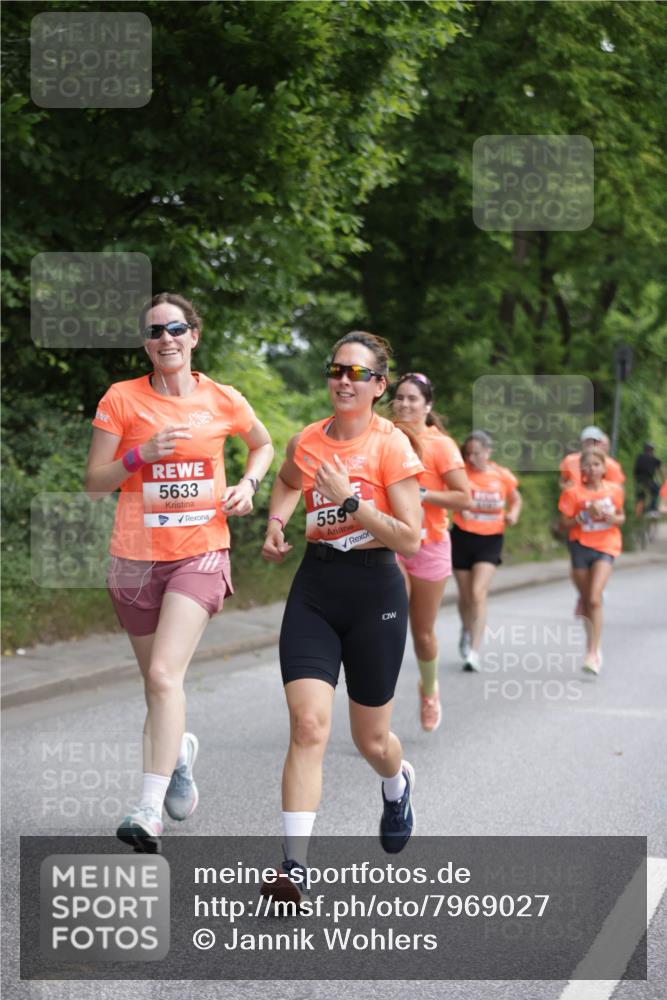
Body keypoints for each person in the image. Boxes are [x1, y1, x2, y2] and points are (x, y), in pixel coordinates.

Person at [85, 292, 273, 851]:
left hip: (201, 554)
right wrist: (142, 455)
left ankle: (147, 810)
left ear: (194, 336)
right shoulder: (121, 399)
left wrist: (248, 484)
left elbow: (261, 445)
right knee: (157, 685)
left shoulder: (223, 399)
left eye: (175, 329)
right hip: (135, 559)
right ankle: (179, 757)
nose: (165, 339)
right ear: (146, 344)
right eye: (154, 332)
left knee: (165, 675)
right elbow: (95, 481)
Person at [261, 331, 423, 900]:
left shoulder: (392, 447)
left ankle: (397, 784)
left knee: (371, 741)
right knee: (308, 727)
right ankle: (293, 866)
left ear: (378, 386)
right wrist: (278, 523)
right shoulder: (307, 441)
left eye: (357, 373)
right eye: (336, 370)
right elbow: (286, 481)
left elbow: (409, 538)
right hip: (317, 586)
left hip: (376, 591)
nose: (343, 380)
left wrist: (351, 500)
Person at [391, 373, 470, 731]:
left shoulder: (441, 445)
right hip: (390, 543)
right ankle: (377, 709)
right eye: (400, 397)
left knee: (422, 634)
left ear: (428, 406)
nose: (405, 404)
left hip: (430, 544)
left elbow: (463, 497)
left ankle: (430, 689)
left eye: (413, 399)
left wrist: (421, 496)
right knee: (388, 622)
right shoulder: (383, 435)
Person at [451, 431, 522, 672]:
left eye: (477, 453)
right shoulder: (461, 474)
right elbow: (450, 496)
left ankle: (474, 651)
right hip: (462, 536)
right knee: (465, 596)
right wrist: (461, 508)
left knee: (477, 592)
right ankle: (466, 629)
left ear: (488, 452)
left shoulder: (501, 475)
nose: (472, 458)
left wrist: (513, 513)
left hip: (491, 539)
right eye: (468, 453)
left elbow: (516, 499)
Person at [558, 447, 625, 675]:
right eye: (587, 465)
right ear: (582, 470)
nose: (592, 469)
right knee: (587, 599)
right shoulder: (573, 493)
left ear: (604, 468)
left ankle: (593, 652)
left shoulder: (614, 490)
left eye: (597, 464)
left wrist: (611, 517)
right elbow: (563, 524)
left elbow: (621, 516)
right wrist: (584, 515)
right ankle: (590, 643)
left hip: (606, 545)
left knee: (595, 598)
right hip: (580, 546)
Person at [559, 426, 625, 490]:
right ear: (582, 443)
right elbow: (563, 481)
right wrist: (568, 488)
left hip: (601, 499)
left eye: (595, 441)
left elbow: (618, 488)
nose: (591, 444)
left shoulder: (611, 465)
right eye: (588, 441)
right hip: (576, 499)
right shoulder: (570, 461)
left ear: (600, 443)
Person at [633, 443, 663, 515]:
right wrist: (664, 481)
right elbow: (661, 471)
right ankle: (652, 509)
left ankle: (638, 515)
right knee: (656, 490)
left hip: (639, 481)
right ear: (652, 451)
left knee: (640, 497)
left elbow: (635, 471)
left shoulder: (639, 457)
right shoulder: (655, 459)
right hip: (649, 481)